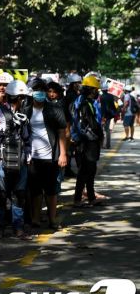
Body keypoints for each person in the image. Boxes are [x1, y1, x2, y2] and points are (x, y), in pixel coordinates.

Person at [23, 78, 68, 230]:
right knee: (35, 191)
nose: (40, 93)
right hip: (32, 158)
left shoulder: (54, 109)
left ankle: (52, 219)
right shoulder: (26, 110)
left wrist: (63, 154)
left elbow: (62, 132)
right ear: (31, 93)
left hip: (51, 157)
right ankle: (35, 219)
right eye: (37, 90)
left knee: (51, 190)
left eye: (43, 90)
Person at [0, 80, 33, 240]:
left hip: (20, 159)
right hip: (2, 158)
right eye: (21, 97)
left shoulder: (24, 115)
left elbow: (28, 138)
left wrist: (28, 157)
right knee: (1, 195)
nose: (23, 101)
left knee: (18, 195)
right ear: (18, 97)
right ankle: (1, 227)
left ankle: (18, 227)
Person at [72, 76, 104, 207]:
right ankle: (78, 199)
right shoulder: (84, 104)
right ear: (91, 90)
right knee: (85, 171)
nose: (97, 92)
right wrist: (96, 137)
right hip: (86, 143)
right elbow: (84, 125)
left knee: (90, 170)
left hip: (89, 142)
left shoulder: (87, 102)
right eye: (96, 90)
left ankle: (90, 198)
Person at [99, 82, 118, 148]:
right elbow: (113, 106)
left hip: (103, 115)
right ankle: (108, 145)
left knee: (102, 130)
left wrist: (102, 116)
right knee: (107, 130)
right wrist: (115, 113)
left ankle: (101, 145)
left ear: (102, 90)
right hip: (109, 115)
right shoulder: (111, 96)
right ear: (107, 89)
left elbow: (102, 107)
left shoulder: (101, 97)